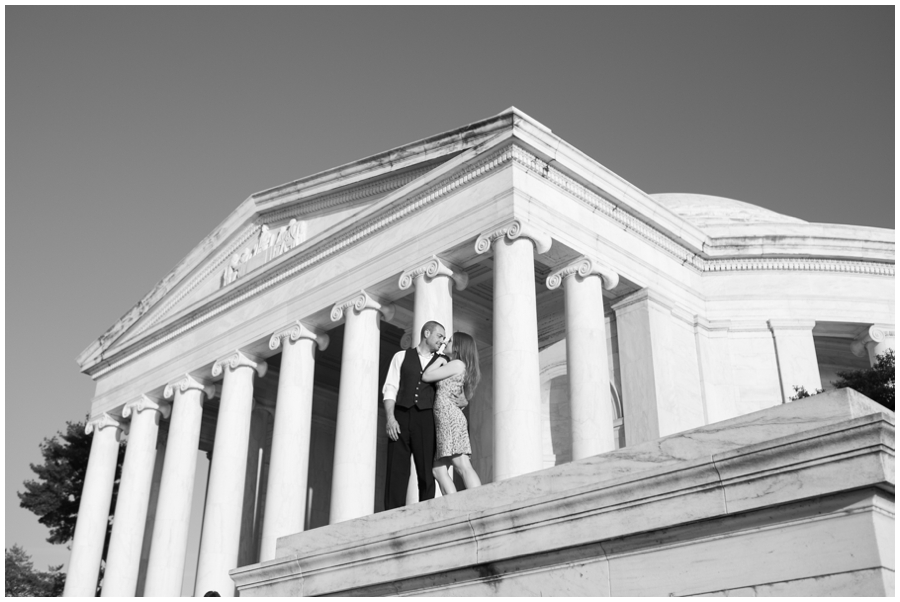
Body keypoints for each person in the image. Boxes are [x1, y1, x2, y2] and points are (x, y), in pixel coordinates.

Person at [382, 320, 447, 510]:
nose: (442, 341)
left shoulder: (442, 361)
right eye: (439, 336)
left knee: (426, 469)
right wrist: (390, 418)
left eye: (444, 338)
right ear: (427, 333)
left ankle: (426, 512)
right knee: (396, 468)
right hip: (401, 415)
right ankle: (392, 513)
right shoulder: (401, 356)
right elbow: (390, 388)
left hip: (426, 419)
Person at [421, 331, 482, 494]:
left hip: (450, 420)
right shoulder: (456, 365)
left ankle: (479, 502)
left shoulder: (456, 364)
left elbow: (427, 376)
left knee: (462, 465)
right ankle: (454, 507)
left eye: (451, 341)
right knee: (438, 471)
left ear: (458, 346)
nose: (446, 342)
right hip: (445, 420)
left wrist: (440, 359)